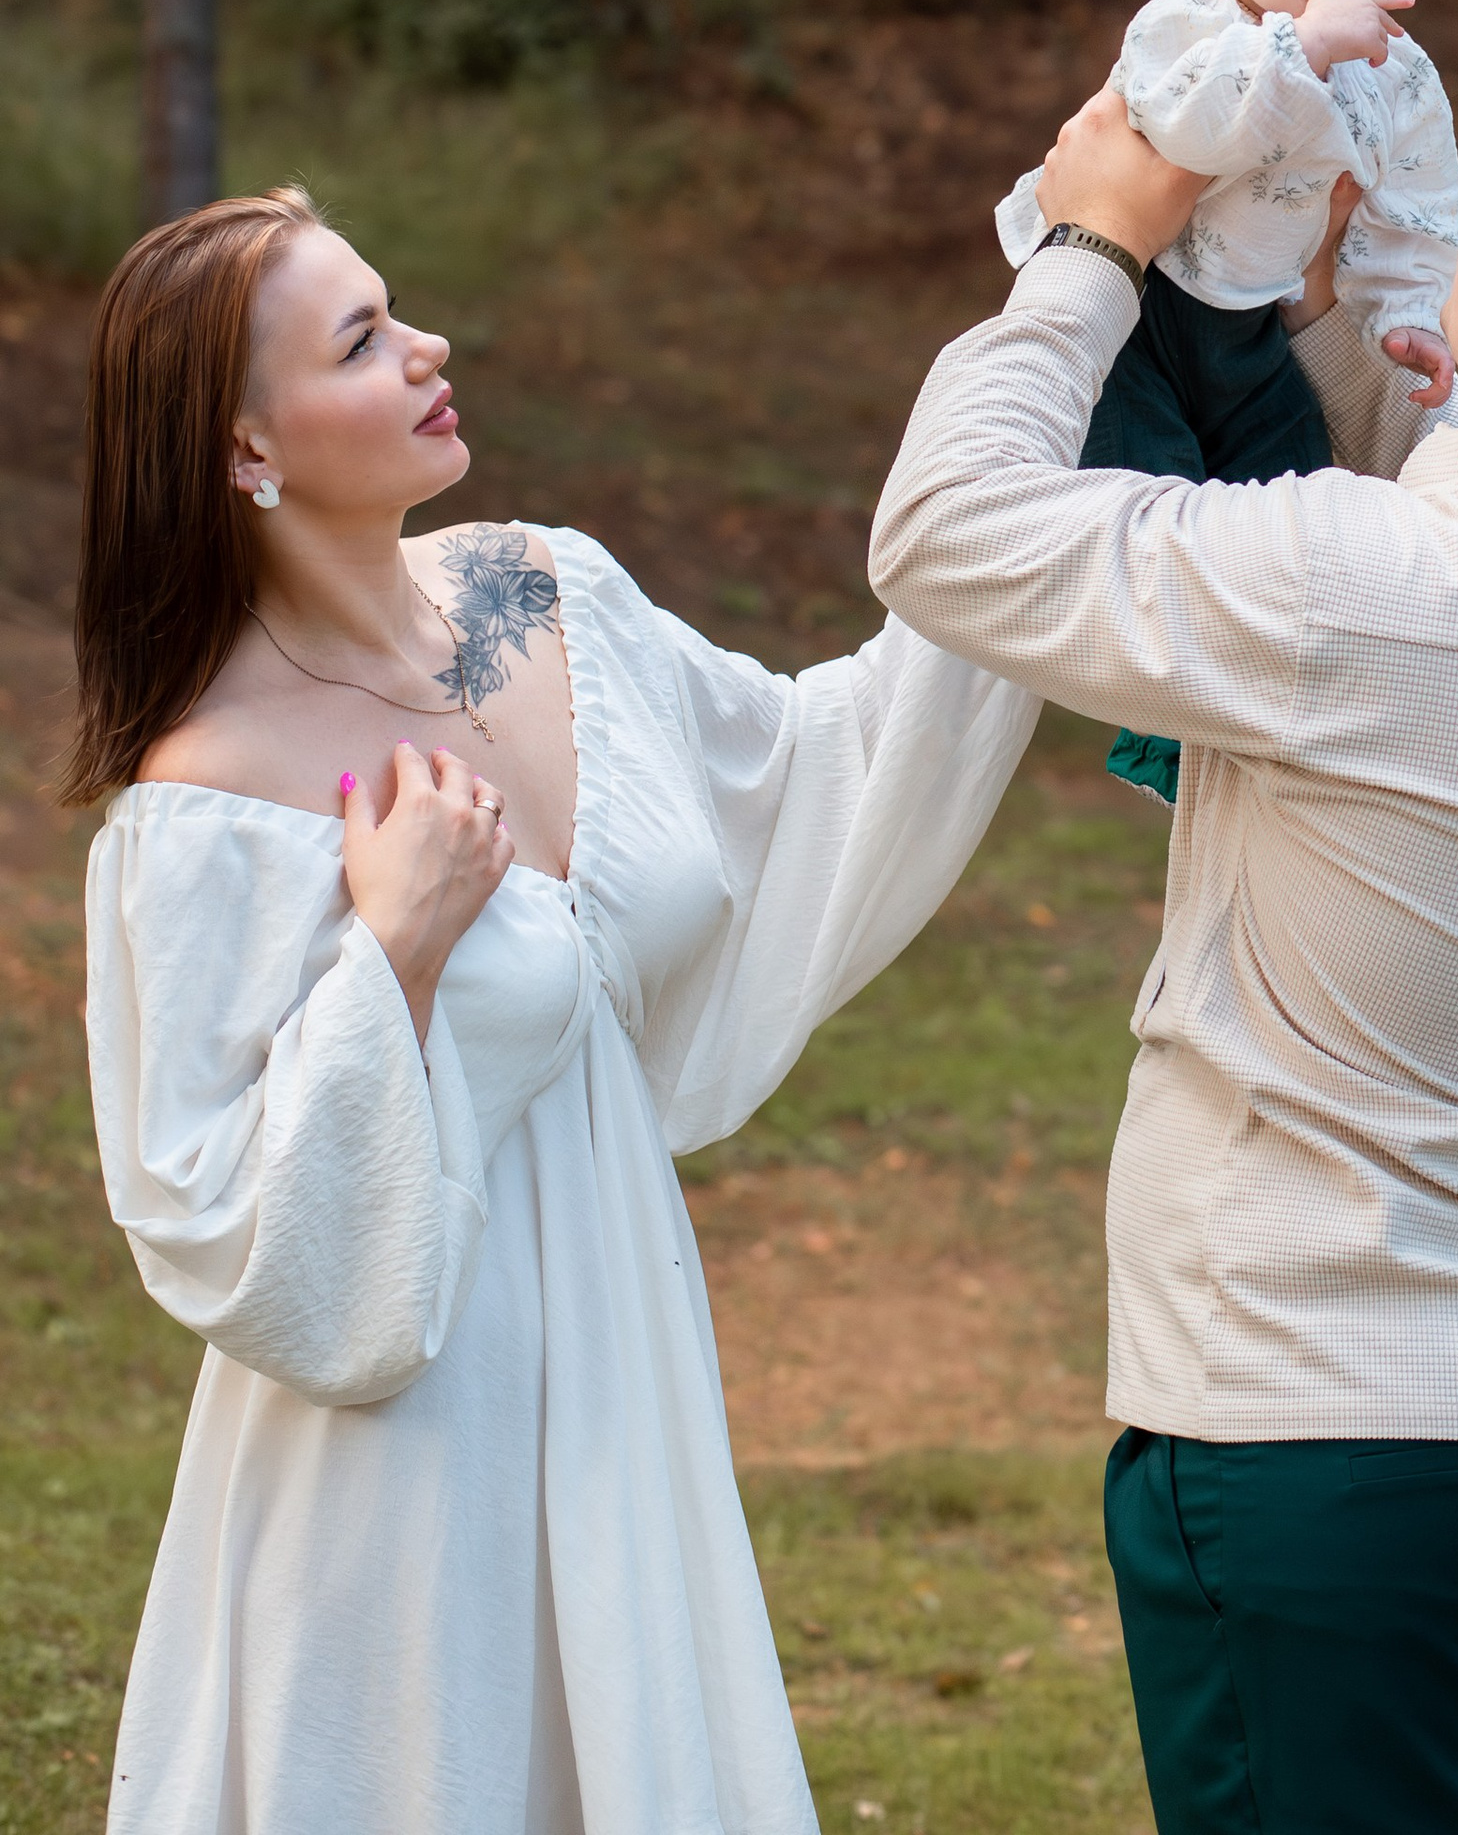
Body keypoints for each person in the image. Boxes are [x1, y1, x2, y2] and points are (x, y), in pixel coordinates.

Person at [872, 72, 1458, 1835]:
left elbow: (945, 537)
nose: (1457, 221)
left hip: (1344, 1449)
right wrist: (1333, 349)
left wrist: (1092, 250)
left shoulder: (1356, 596)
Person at [72, 183, 1040, 1835]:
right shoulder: (211, 797)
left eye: (399, 308)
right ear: (251, 450)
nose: (428, 348)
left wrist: (1039, 468)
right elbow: (216, 1225)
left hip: (621, 1391)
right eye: (364, 341)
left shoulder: (534, 596)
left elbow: (806, 766)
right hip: (400, 1482)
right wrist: (395, 954)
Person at [993, 0, 1458, 802]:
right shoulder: (1187, 28)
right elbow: (1197, 132)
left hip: (1247, 320)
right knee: (1149, 507)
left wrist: (1410, 317)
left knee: (1295, 494)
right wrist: (1297, 52)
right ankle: (1160, 736)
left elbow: (1416, 205)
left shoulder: (1393, 65)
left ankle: (1295, 728)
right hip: (1134, 310)